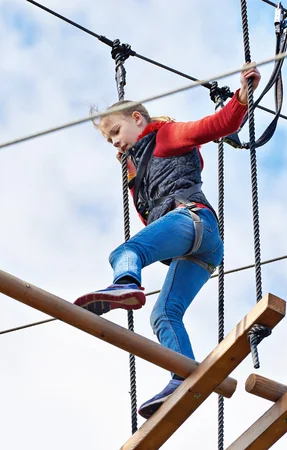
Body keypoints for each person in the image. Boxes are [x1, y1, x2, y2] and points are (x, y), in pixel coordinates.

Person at [74, 65, 261, 419]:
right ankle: (182, 376)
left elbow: (217, 126)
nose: (114, 141)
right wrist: (133, 167)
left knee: (127, 252)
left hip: (193, 220)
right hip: (202, 248)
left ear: (138, 118)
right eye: (108, 140)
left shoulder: (166, 136)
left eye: (116, 131)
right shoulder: (138, 166)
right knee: (164, 314)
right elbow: (153, 215)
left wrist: (241, 97)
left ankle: (125, 285)